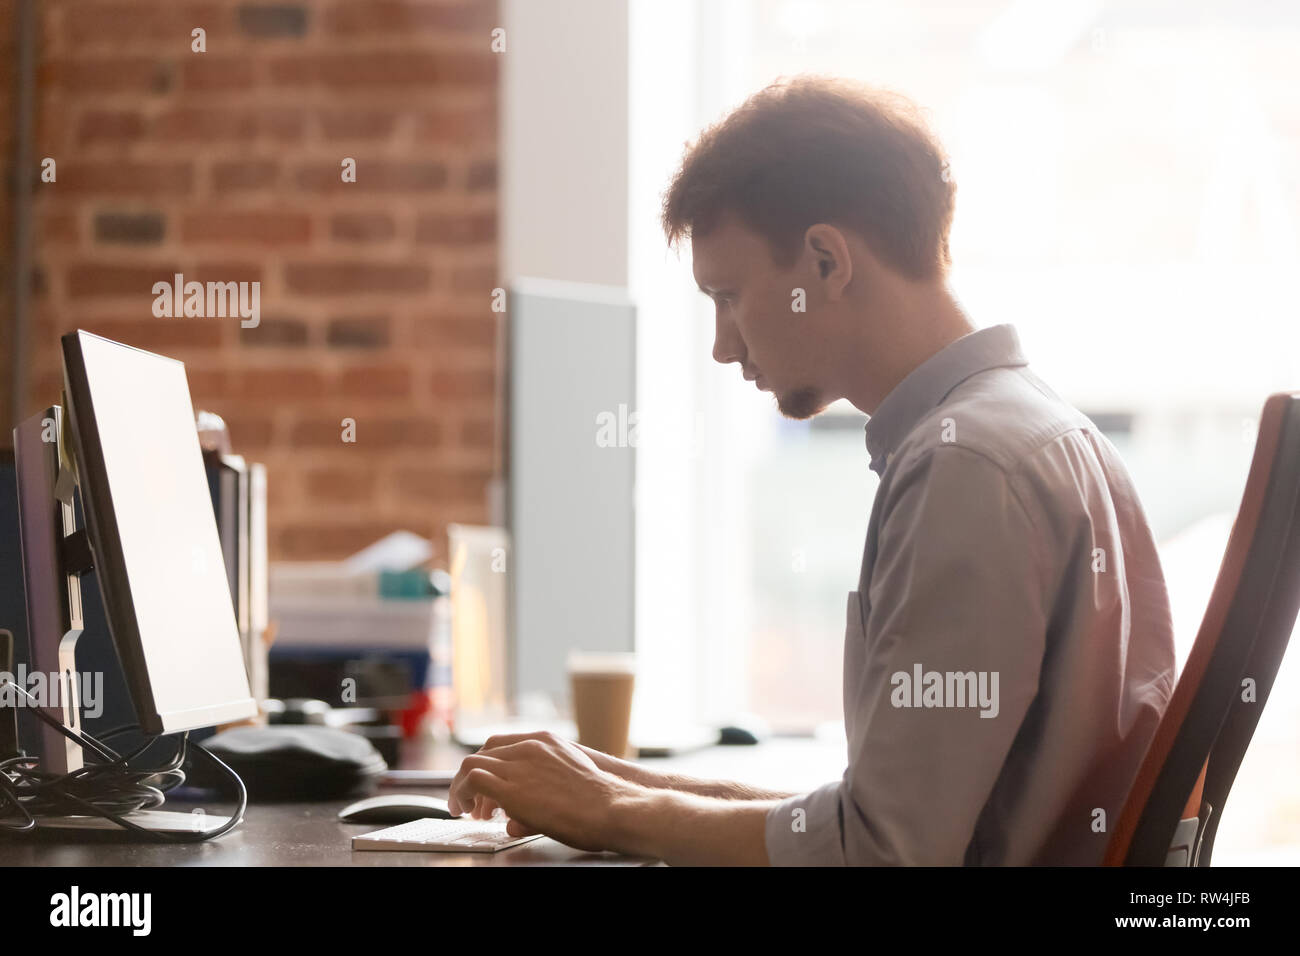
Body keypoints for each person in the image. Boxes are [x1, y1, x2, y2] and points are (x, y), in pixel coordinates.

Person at [447, 75, 1176, 865]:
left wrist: (615, 815)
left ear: (826, 262)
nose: (723, 345)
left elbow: (881, 851)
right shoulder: (1030, 431)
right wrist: (617, 787)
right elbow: (889, 817)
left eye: (728, 297)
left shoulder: (965, 468)